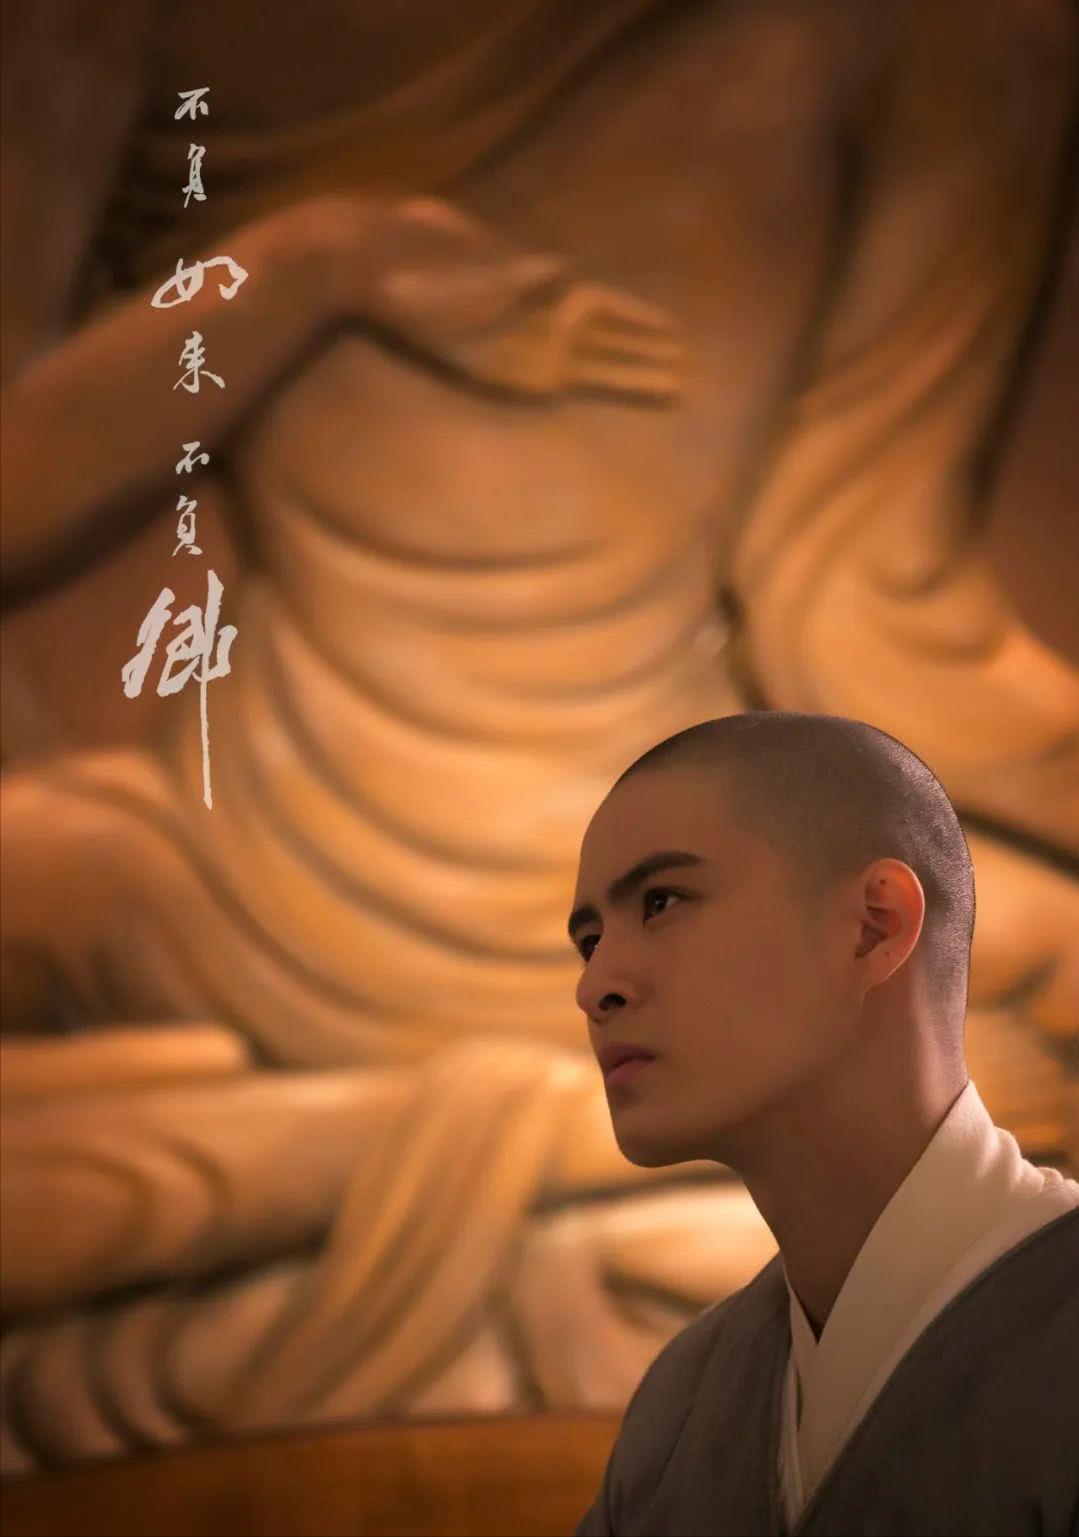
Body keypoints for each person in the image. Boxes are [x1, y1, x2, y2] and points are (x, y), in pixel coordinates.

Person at [569, 712, 1078, 1536]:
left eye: (660, 901)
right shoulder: (680, 1398)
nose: (595, 985)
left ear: (874, 925)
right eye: (588, 940)